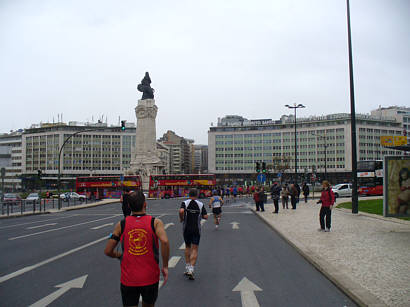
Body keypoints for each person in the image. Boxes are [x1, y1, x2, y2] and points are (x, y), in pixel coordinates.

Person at [104, 191, 170, 307]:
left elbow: (108, 251)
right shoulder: (155, 222)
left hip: (128, 279)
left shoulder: (121, 224)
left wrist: (119, 255)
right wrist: (165, 266)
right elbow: (164, 241)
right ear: (145, 204)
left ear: (129, 206)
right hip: (150, 277)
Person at [179, 188, 208, 280]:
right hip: (196, 229)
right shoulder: (200, 204)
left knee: (187, 247)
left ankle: (187, 267)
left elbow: (181, 211)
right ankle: (191, 269)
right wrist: (201, 216)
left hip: (186, 229)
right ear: (197, 195)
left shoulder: (185, 202)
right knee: (195, 248)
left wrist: (181, 218)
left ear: (189, 194)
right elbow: (206, 216)